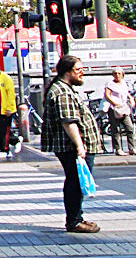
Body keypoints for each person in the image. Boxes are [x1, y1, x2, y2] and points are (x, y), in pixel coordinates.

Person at [43, 54, 101, 233]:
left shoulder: (65, 89)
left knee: (76, 181)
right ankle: (74, 221)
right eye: (78, 70)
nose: (81, 73)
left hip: (72, 146)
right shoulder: (62, 92)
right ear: (67, 72)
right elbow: (69, 121)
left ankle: (78, 217)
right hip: (70, 146)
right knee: (75, 183)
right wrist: (79, 145)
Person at [103, 67, 136, 157]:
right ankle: (118, 149)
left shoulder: (123, 83)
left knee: (129, 127)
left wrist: (131, 98)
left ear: (122, 75)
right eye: (115, 73)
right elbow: (107, 95)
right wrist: (115, 103)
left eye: (119, 73)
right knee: (116, 129)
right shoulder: (110, 83)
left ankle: (132, 148)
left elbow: (126, 92)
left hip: (123, 107)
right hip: (114, 108)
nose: (117, 75)